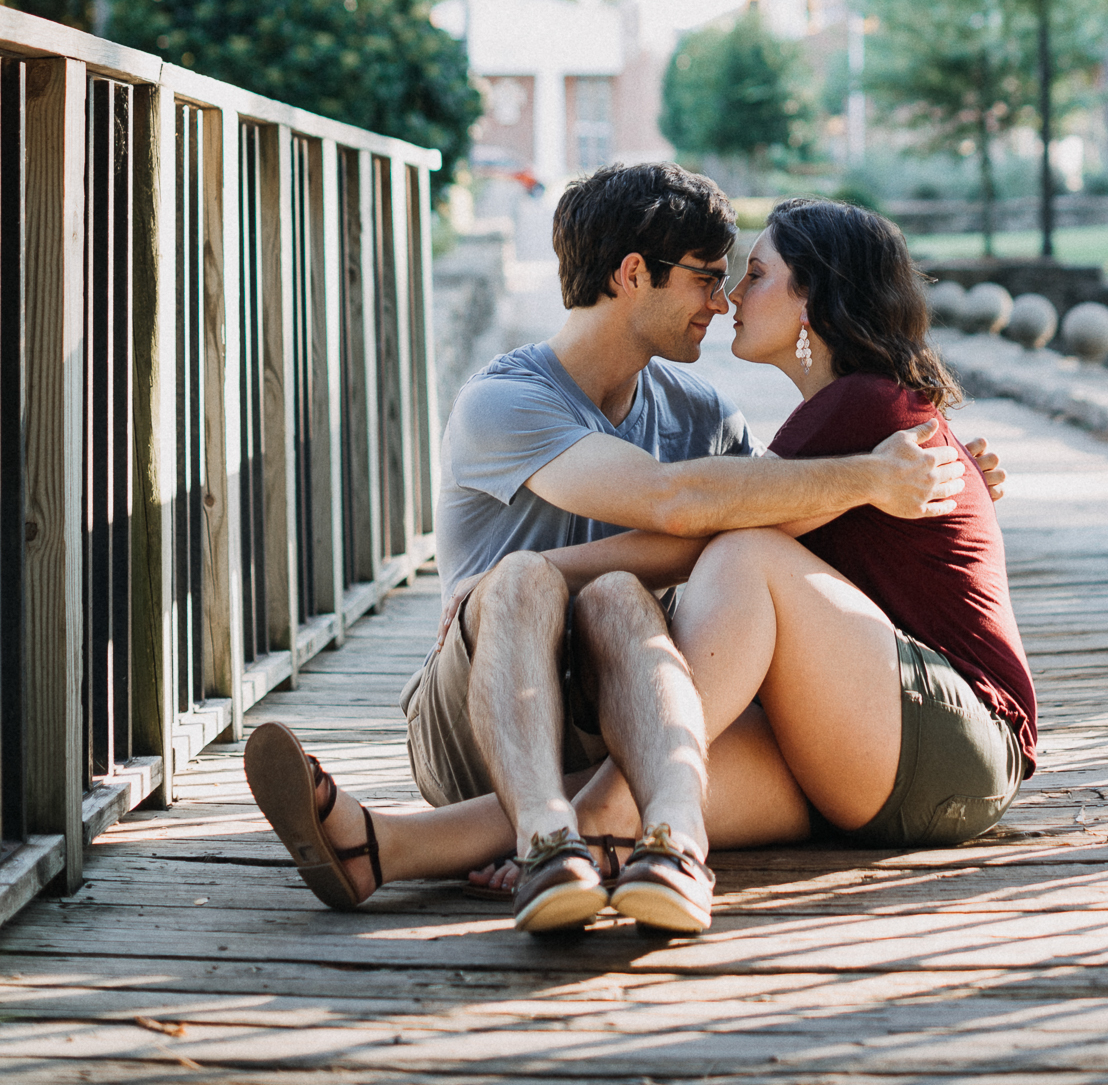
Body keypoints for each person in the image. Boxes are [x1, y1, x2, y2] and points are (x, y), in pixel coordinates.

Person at [244, 164, 999, 935]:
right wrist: (871, 476)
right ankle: (557, 833)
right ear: (634, 274)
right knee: (524, 585)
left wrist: (938, 478)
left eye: (744, 276)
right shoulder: (504, 402)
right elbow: (677, 505)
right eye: (709, 277)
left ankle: (403, 846)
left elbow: (756, 513)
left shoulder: (704, 415)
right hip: (488, 709)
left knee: (616, 599)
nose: (724, 298)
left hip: (625, 712)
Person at [554, 197, 1036, 864]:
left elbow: (697, 544)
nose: (730, 297)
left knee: (746, 552)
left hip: (951, 735)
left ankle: (598, 825)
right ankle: (390, 846)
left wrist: (548, 571)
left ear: (812, 298)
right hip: (901, 762)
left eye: (755, 274)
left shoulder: (860, 404)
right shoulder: (859, 410)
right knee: (582, 795)